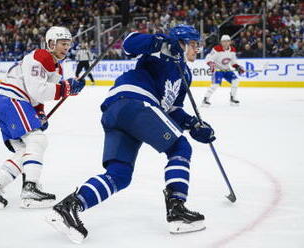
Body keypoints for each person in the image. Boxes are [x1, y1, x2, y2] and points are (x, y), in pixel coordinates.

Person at [45, 25, 216, 244]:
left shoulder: (186, 74)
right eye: (193, 44)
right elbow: (129, 43)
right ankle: (177, 209)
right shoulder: (160, 49)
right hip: (136, 103)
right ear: (180, 43)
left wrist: (193, 124)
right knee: (180, 148)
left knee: (119, 175)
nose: (197, 49)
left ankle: (69, 207)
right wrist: (160, 42)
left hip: (119, 112)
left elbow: (172, 110)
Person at [0, 26, 85, 209]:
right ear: (50, 43)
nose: (66, 48)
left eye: (68, 44)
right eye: (62, 44)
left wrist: (40, 113)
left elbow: (38, 96)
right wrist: (65, 88)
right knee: (38, 140)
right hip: (11, 99)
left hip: (10, 102)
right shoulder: (41, 56)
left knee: (25, 150)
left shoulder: (55, 66)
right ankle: (30, 189)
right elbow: (38, 90)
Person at [202, 35, 244, 107]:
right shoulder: (216, 49)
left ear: (230, 42)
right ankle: (206, 99)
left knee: (235, 81)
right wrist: (211, 64)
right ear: (221, 42)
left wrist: (237, 67)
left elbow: (233, 62)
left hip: (227, 70)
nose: (226, 43)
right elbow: (208, 58)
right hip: (218, 70)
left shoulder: (232, 50)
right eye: (224, 41)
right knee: (215, 85)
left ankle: (233, 98)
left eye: (227, 41)